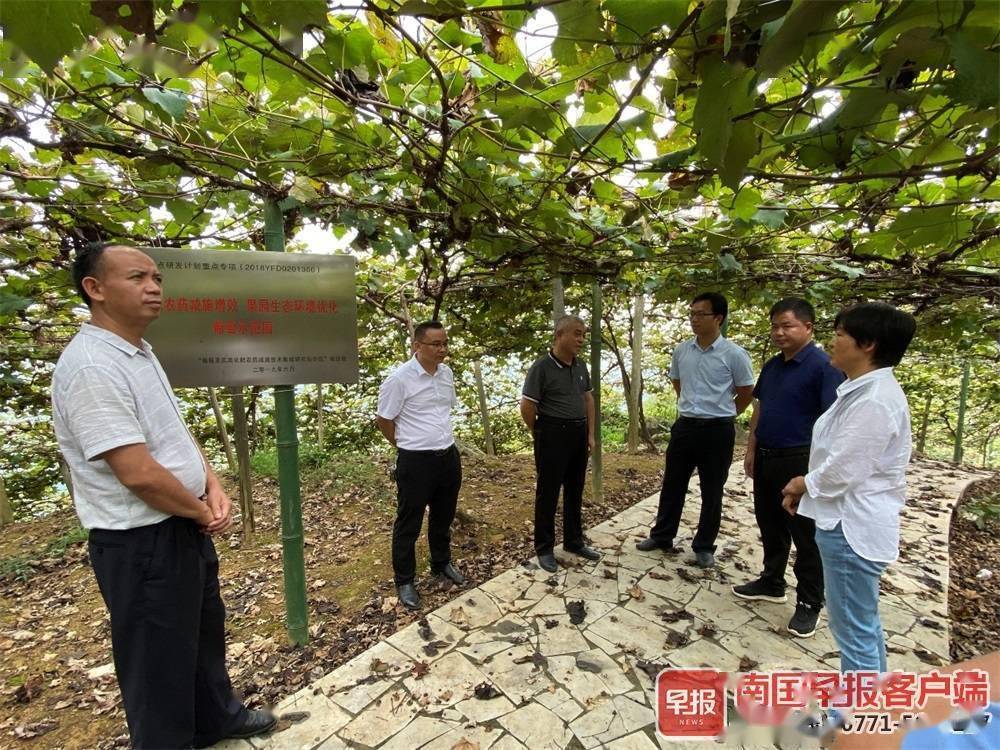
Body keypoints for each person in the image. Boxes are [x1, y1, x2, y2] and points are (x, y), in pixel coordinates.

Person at [51, 244, 275, 749]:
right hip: (140, 540)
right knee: (156, 664)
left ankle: (217, 718)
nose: (154, 287)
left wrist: (211, 482)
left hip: (178, 525)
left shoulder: (138, 351)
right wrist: (200, 507)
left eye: (157, 278)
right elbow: (137, 472)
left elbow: (171, 432)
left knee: (200, 633)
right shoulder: (91, 367)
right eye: (138, 277)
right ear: (96, 289)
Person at [781, 302, 916, 673]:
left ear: (867, 344)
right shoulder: (863, 391)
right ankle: (877, 706)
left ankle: (858, 721)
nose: (833, 341)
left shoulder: (874, 400)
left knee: (852, 628)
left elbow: (844, 468)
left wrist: (802, 482)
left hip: (850, 527)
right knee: (862, 623)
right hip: (847, 522)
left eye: (840, 334)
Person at [732, 298, 845, 638]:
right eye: (775, 327)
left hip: (801, 458)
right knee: (769, 521)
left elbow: (833, 422)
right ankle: (771, 580)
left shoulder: (824, 367)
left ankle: (809, 602)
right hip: (768, 454)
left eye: (787, 326)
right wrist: (751, 449)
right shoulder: (773, 366)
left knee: (806, 534)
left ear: (808, 327)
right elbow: (760, 409)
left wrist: (814, 474)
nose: (779, 332)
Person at [636, 292, 755, 568]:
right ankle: (663, 535)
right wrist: (693, 407)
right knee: (673, 483)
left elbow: (746, 392)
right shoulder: (682, 351)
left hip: (718, 430)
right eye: (691, 314)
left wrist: (724, 413)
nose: (694, 319)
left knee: (712, 489)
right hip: (686, 426)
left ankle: (704, 545)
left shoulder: (734, 354)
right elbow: (678, 383)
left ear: (718, 318)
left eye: (701, 314)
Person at [376, 321, 465, 610]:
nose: (442, 350)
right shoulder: (399, 379)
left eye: (445, 344)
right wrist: (405, 444)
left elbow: (442, 411)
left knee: (443, 516)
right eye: (436, 344)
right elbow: (384, 420)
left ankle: (441, 563)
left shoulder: (446, 374)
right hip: (415, 460)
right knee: (409, 522)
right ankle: (404, 580)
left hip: (447, 456)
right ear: (417, 346)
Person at [520, 315, 601, 573]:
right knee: (548, 492)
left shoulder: (580, 366)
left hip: (578, 434)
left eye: (584, 334)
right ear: (559, 335)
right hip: (552, 433)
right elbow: (527, 406)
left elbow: (588, 400)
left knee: (575, 489)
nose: (581, 339)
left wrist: (590, 434)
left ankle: (574, 541)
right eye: (577, 334)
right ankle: (544, 548)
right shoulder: (542, 367)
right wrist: (540, 431)